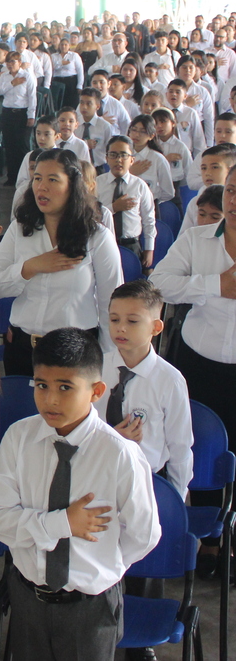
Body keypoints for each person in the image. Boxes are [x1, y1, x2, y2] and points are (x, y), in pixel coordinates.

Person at [0, 327, 160, 660]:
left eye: (65, 387)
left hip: (89, 607)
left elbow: (143, 534)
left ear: (96, 391)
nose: (50, 399)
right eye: (42, 385)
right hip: (28, 597)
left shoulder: (119, 454)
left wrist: (101, 569)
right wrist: (63, 524)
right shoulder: (19, 438)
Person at [150, 165, 236, 579]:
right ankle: (209, 541)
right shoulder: (199, 238)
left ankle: (231, 540)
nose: (234, 201)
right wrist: (215, 285)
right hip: (199, 363)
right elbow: (161, 283)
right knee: (200, 447)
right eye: (232, 191)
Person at [0, 149, 124, 376]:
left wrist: (107, 362)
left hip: (74, 352)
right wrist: (30, 267)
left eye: (53, 180)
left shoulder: (97, 237)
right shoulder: (21, 229)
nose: (41, 187)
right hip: (23, 347)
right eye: (37, 178)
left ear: (72, 185)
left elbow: (111, 306)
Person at [95, 280, 194, 500]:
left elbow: (180, 448)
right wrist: (112, 438)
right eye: (114, 319)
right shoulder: (95, 368)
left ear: (156, 327)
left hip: (147, 483)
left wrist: (176, 499)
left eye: (132, 321)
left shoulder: (170, 381)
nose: (121, 327)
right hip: (96, 473)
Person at [96, 136, 156, 270]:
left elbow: (149, 219)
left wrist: (149, 249)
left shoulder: (140, 185)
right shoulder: (97, 184)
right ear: (106, 158)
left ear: (132, 160)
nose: (118, 160)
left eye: (123, 155)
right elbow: (90, 216)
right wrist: (113, 208)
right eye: (113, 155)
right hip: (103, 242)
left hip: (131, 244)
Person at [0, 51, 38, 185]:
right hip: (7, 113)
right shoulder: (5, 77)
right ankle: (12, 177)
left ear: (19, 62)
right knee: (9, 145)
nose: (10, 64)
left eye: (13, 61)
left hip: (22, 113)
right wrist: (12, 83)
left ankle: (26, 178)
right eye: (8, 62)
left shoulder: (27, 76)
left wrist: (31, 116)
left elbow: (32, 97)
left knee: (22, 145)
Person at [127, 114, 175, 205]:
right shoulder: (123, 154)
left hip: (150, 205)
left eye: (143, 131)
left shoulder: (158, 159)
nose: (137, 135)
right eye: (134, 130)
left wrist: (152, 199)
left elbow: (168, 192)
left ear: (151, 136)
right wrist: (130, 173)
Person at [77, 88, 114, 166]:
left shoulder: (105, 126)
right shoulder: (75, 124)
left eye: (89, 103)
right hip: (78, 166)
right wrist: (85, 144)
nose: (84, 107)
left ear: (97, 106)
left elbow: (110, 150)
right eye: (82, 103)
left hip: (99, 167)